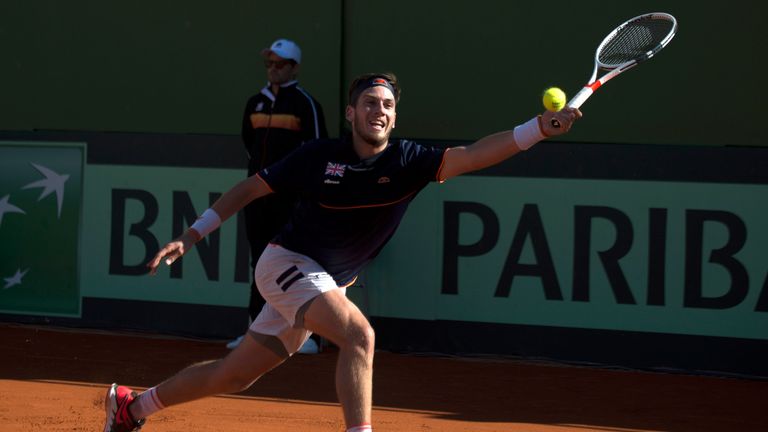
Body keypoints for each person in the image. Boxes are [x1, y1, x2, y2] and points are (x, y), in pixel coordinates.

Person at [103, 72, 581, 432]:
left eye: (389, 105)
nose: (381, 111)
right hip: (286, 264)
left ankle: (132, 406)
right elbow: (250, 188)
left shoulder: (410, 161)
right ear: (351, 113)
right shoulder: (318, 157)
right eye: (370, 103)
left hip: (326, 281)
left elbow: (477, 153)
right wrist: (192, 235)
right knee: (359, 335)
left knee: (234, 375)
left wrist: (538, 128)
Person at [228, 38, 328, 353]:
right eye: (270, 63)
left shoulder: (305, 103)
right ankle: (254, 335)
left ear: (293, 68)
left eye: (280, 64)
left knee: (297, 264)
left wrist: (301, 192)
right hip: (258, 200)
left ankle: (308, 336)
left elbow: (316, 151)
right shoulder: (253, 103)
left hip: (292, 200)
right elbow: (250, 146)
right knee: (260, 263)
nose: (273, 69)